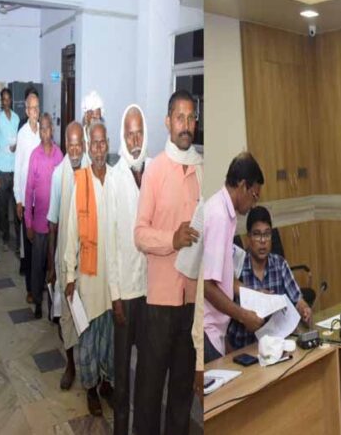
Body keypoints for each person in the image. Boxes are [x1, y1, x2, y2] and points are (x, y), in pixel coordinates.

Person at [133, 90, 202, 435]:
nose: (185, 125)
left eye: (191, 118)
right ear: (167, 122)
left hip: (192, 302)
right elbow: (139, 234)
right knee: (149, 391)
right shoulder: (156, 169)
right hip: (160, 301)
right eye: (179, 118)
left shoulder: (203, 170)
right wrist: (172, 240)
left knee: (181, 394)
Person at [104, 104, 149, 435]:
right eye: (130, 134)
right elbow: (110, 243)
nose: (135, 141)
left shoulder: (154, 172)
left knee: (148, 372)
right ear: (123, 136)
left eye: (139, 134)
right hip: (125, 295)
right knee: (122, 375)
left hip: (151, 292)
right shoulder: (114, 178)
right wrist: (115, 296)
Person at [64, 122, 114, 416]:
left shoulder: (116, 179)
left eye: (102, 142)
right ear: (88, 146)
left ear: (108, 144)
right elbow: (72, 232)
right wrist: (70, 276)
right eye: (93, 143)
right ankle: (91, 389)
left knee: (110, 337)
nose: (98, 149)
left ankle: (107, 382)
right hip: (88, 276)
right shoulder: (80, 181)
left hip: (112, 280)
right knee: (89, 339)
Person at [204, 152, 265, 362]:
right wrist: (244, 316)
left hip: (216, 329)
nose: (254, 204)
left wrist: (255, 294)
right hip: (207, 329)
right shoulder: (219, 217)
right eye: (254, 196)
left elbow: (223, 278)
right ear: (242, 186)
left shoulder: (225, 213)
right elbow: (207, 286)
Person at [226, 206, 311, 351]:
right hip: (243, 347)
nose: (263, 241)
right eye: (257, 235)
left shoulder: (280, 264)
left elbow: (298, 300)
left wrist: (304, 309)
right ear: (248, 238)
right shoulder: (237, 269)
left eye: (267, 234)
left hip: (274, 345)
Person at [47, 121, 86, 390]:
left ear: (83, 144)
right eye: (70, 145)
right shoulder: (58, 174)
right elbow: (53, 223)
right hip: (65, 256)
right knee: (68, 316)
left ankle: (96, 372)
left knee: (92, 314)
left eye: (78, 145)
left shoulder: (92, 170)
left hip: (89, 257)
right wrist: (52, 265)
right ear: (66, 144)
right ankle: (70, 365)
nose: (74, 151)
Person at [24, 113, 63, 319]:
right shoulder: (35, 155)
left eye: (48, 128)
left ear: (52, 130)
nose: (46, 131)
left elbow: (65, 186)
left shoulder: (59, 155)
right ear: (40, 132)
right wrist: (28, 223)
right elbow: (29, 190)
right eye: (43, 128)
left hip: (55, 223)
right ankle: (38, 303)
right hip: (39, 223)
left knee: (54, 266)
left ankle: (53, 309)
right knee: (38, 266)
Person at [14, 90, 42, 303]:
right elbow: (18, 167)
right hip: (26, 198)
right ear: (26, 110)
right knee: (29, 246)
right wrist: (18, 200)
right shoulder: (22, 134)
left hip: (41, 200)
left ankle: (39, 284)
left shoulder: (43, 131)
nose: (35, 112)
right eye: (32, 108)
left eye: (37, 108)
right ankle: (30, 289)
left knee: (41, 246)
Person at [0, 88, 20, 251]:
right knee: (3, 208)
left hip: (15, 170)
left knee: (17, 207)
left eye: (8, 98)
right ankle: (5, 238)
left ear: (11, 100)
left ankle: (18, 242)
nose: (6, 102)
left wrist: (16, 146)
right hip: (2, 171)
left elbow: (20, 141)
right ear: (1, 102)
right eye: (4, 99)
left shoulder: (16, 118)